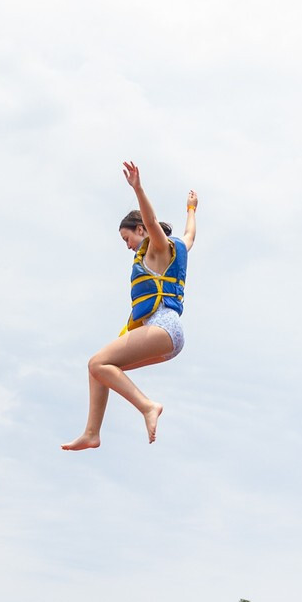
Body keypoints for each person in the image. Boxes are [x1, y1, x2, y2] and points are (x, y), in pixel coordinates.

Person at [62, 164, 196, 451]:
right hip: (166, 334)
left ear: (141, 229)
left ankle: (148, 406)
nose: (127, 246)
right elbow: (190, 235)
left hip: (164, 326)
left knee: (97, 363)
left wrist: (138, 188)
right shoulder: (175, 249)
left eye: (128, 238)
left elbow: (152, 220)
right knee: (99, 369)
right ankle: (91, 433)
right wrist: (191, 209)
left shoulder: (158, 247)